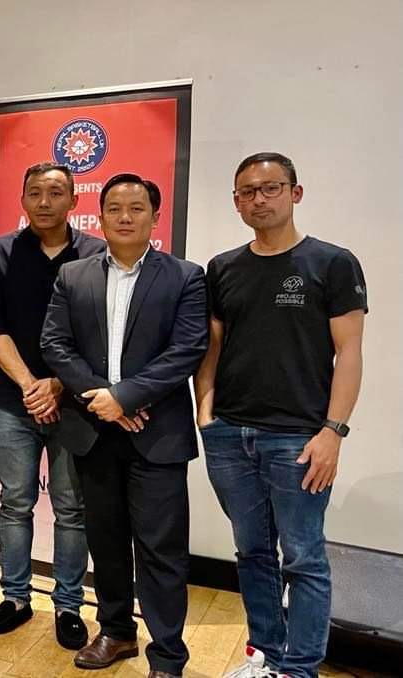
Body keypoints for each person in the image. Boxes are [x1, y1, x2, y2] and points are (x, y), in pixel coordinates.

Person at [195, 153, 367, 678]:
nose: (259, 199)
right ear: (236, 202)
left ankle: (299, 669)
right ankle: (266, 657)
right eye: (247, 191)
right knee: (251, 553)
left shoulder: (332, 263)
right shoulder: (222, 268)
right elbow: (213, 347)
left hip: (298, 438)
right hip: (229, 435)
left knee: (303, 558)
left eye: (270, 188)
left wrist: (333, 432)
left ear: (295, 193)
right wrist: (206, 412)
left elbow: (350, 352)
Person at [41, 173, 207, 678]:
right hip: (94, 432)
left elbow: (187, 349)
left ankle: (168, 656)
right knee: (106, 541)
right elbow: (54, 344)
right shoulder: (73, 275)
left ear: (155, 216)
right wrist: (104, 399)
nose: (125, 217)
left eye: (137, 208)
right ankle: (116, 632)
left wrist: (126, 396)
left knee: (161, 550)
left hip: (158, 435)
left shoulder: (185, 276)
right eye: (114, 208)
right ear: (100, 217)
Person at [0, 162, 105, 648]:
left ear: (74, 200)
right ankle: (15, 597)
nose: (44, 202)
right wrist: (32, 384)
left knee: (72, 508)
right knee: (15, 503)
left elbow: (100, 333)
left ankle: (68, 605)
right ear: (22, 199)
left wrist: (59, 385)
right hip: (13, 402)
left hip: (75, 404)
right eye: (35, 193)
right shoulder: (1, 252)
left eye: (55, 192)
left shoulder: (96, 253)